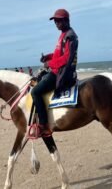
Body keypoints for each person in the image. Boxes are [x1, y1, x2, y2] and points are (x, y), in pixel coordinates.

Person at [31, 8, 78, 137]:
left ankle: (43, 125)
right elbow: (58, 54)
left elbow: (66, 58)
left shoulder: (70, 36)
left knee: (35, 91)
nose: (56, 23)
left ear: (66, 20)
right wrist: (47, 57)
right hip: (56, 70)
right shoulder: (63, 34)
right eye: (55, 21)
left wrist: (49, 64)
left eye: (58, 21)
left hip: (61, 73)